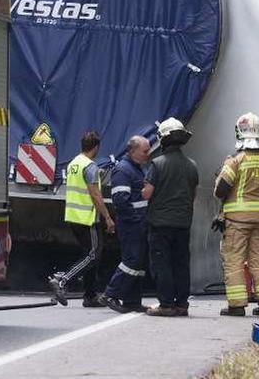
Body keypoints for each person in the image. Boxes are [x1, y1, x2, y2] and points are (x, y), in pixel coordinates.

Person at [213, 112, 259, 317]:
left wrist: (221, 173)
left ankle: (236, 305)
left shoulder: (235, 161)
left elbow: (221, 190)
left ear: (238, 133)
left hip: (237, 221)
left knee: (234, 259)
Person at [49, 131, 116, 307]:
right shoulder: (90, 166)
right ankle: (62, 279)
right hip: (87, 218)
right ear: (96, 147)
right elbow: (95, 194)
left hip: (73, 216)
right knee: (93, 255)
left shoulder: (74, 163)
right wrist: (107, 217)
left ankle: (90, 295)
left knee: (89, 256)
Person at [142, 118, 198, 317]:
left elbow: (147, 194)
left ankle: (166, 304)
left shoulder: (157, 164)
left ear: (163, 140)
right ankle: (182, 304)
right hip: (183, 223)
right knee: (181, 263)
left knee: (162, 263)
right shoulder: (192, 165)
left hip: (160, 224)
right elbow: (193, 194)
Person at [103, 136, 152, 314]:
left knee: (138, 262)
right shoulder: (123, 170)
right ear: (132, 151)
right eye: (145, 151)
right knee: (132, 260)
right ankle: (111, 293)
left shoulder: (135, 169)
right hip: (132, 225)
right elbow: (120, 201)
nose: (148, 154)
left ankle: (132, 301)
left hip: (138, 223)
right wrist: (136, 220)